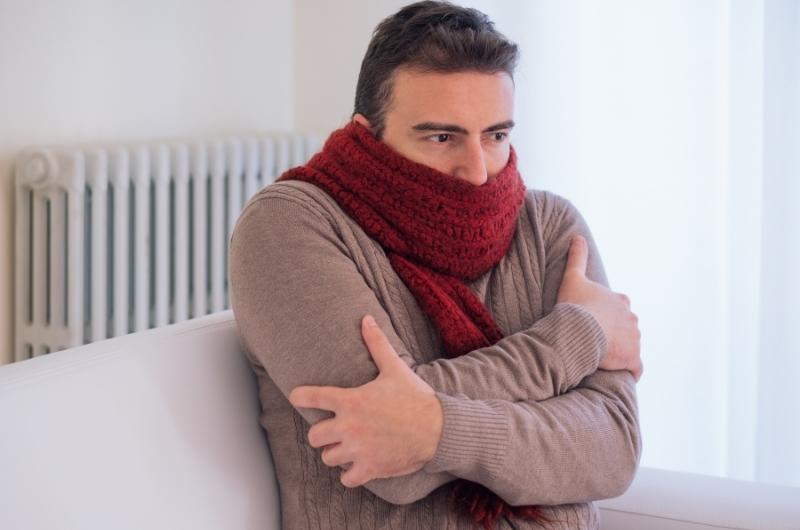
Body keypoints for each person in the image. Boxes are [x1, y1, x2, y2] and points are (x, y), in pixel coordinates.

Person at [229, 2, 642, 529]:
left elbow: (613, 449)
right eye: (441, 137)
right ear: (366, 132)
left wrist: (434, 427)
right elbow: (388, 464)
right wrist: (576, 337)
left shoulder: (552, 226)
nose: (476, 172)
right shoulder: (290, 226)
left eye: (495, 135)